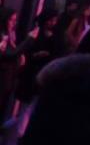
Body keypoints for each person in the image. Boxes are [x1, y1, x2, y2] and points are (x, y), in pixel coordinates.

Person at [15, 9, 60, 137]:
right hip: (31, 75)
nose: (53, 23)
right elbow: (27, 53)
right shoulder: (35, 34)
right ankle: (20, 134)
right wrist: (35, 55)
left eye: (55, 20)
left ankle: (21, 131)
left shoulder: (55, 37)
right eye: (51, 20)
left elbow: (57, 54)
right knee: (27, 106)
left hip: (44, 74)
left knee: (31, 107)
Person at [0, 8, 21, 115]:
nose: (14, 23)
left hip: (10, 73)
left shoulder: (12, 34)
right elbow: (6, 53)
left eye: (15, 20)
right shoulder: (2, 33)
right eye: (11, 20)